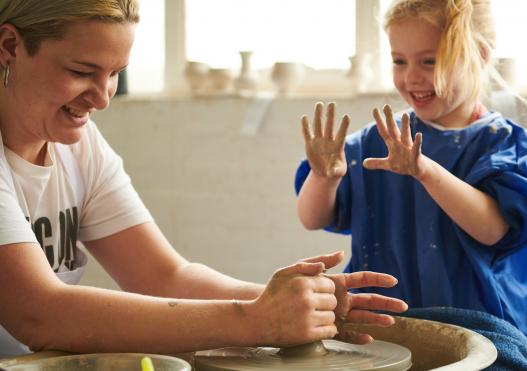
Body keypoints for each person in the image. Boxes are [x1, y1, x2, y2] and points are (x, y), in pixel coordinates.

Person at [0, 0, 408, 358]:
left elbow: (163, 277)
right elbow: (40, 313)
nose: (103, 98)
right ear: (9, 47)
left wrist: (295, 303)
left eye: (114, 74)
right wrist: (255, 321)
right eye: (82, 71)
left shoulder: (79, 143)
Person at [294, 0, 527, 361]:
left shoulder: (502, 145)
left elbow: (493, 230)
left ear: (479, 55)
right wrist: (324, 178)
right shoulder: (379, 141)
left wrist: (425, 170)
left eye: (429, 61)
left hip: (477, 331)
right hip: (384, 327)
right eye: (399, 61)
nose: (411, 77)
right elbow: (314, 218)